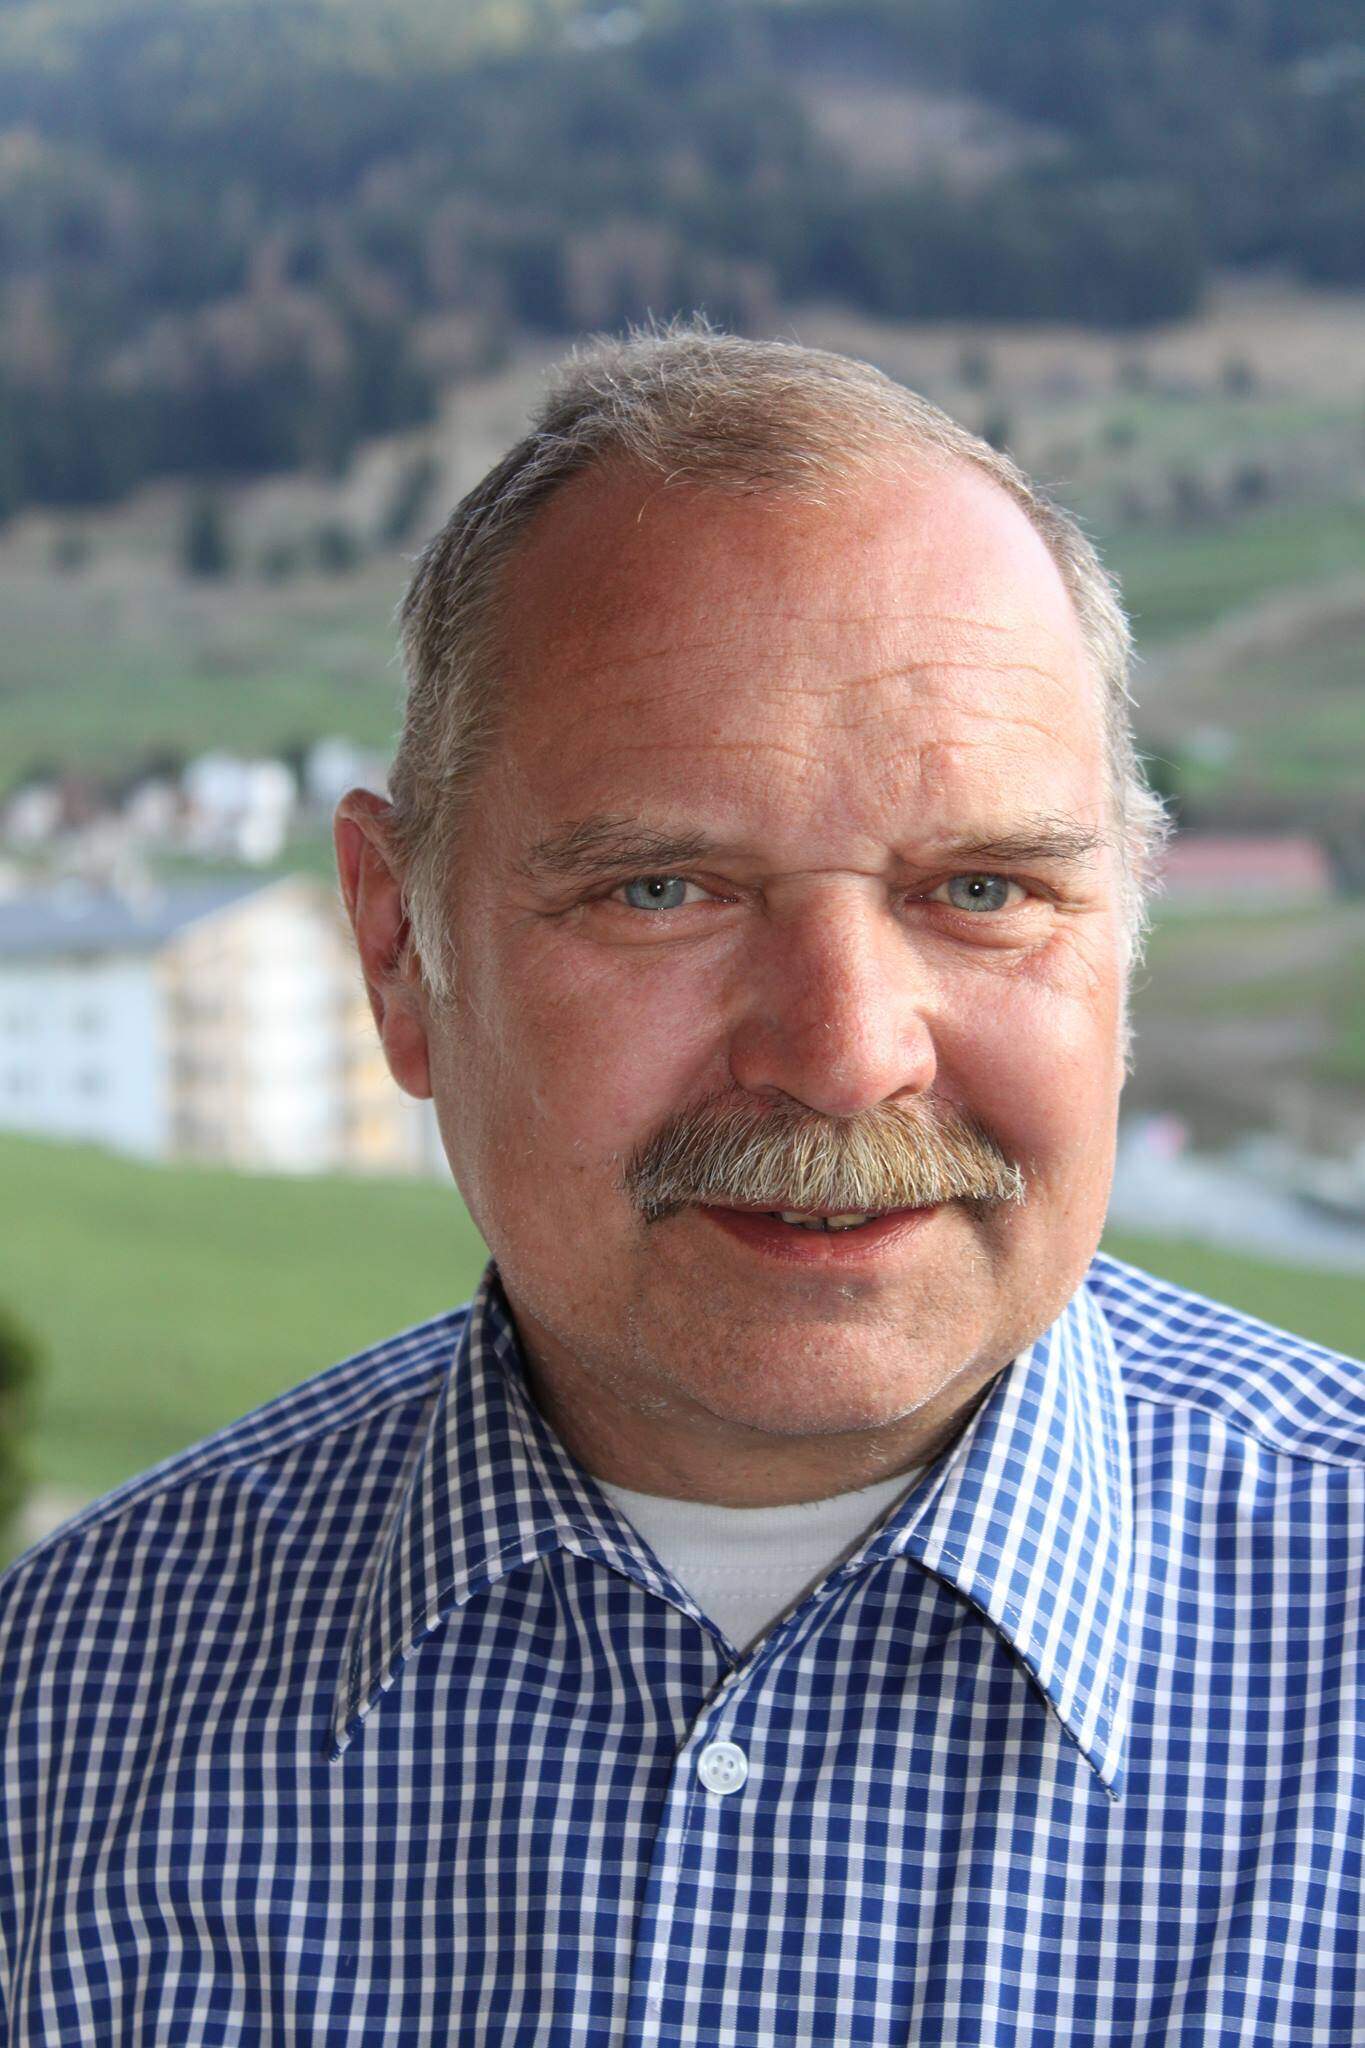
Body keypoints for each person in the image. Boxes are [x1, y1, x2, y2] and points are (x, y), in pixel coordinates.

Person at [2, 324, 1362, 2048]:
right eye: (662, 891)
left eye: (982, 891)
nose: (845, 1053)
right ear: (398, 951)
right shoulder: (62, 1710)